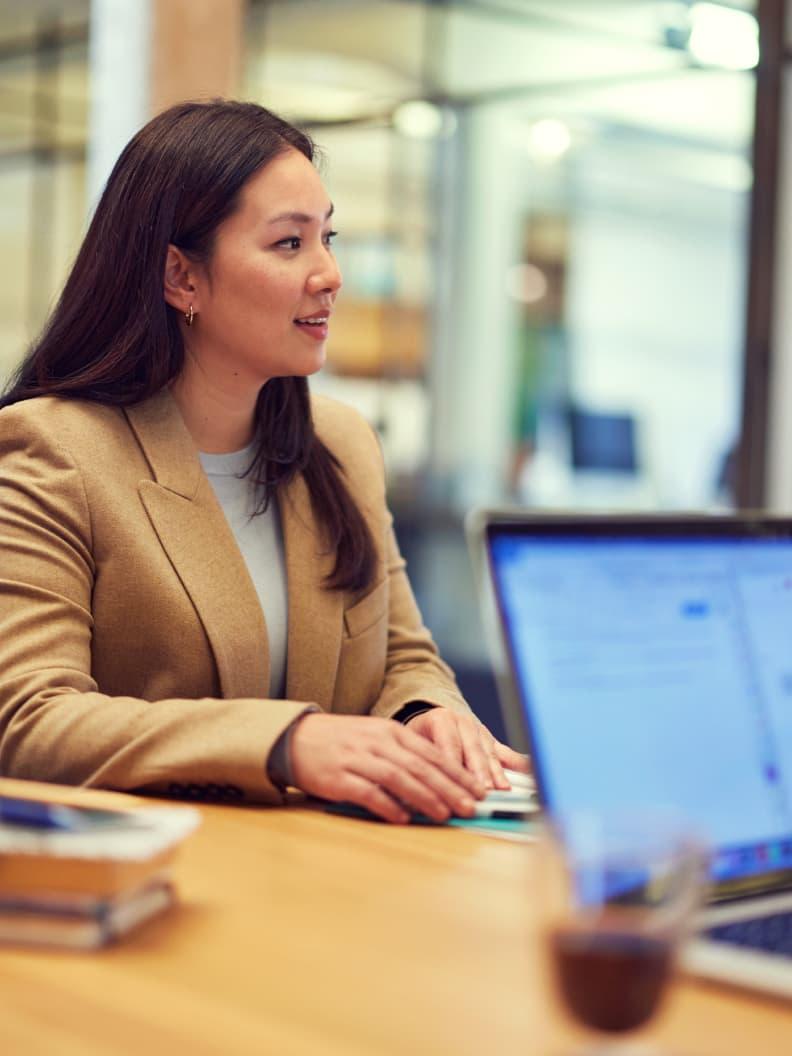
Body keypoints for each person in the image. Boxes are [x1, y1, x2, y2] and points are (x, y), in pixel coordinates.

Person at [0, 100, 528, 824]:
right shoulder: (52, 449)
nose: (331, 274)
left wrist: (426, 714)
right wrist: (285, 743)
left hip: (333, 875)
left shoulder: (341, 445)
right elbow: (30, 722)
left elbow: (404, 655)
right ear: (181, 277)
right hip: (159, 883)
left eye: (328, 237)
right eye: (289, 244)